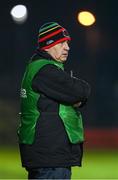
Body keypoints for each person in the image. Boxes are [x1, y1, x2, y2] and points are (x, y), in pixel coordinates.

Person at [18, 22, 91, 179]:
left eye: (67, 43)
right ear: (48, 45)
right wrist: (75, 96)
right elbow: (82, 91)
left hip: (48, 156)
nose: (67, 47)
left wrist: (76, 96)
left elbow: (77, 95)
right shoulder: (45, 71)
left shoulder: (41, 68)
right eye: (62, 43)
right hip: (50, 157)